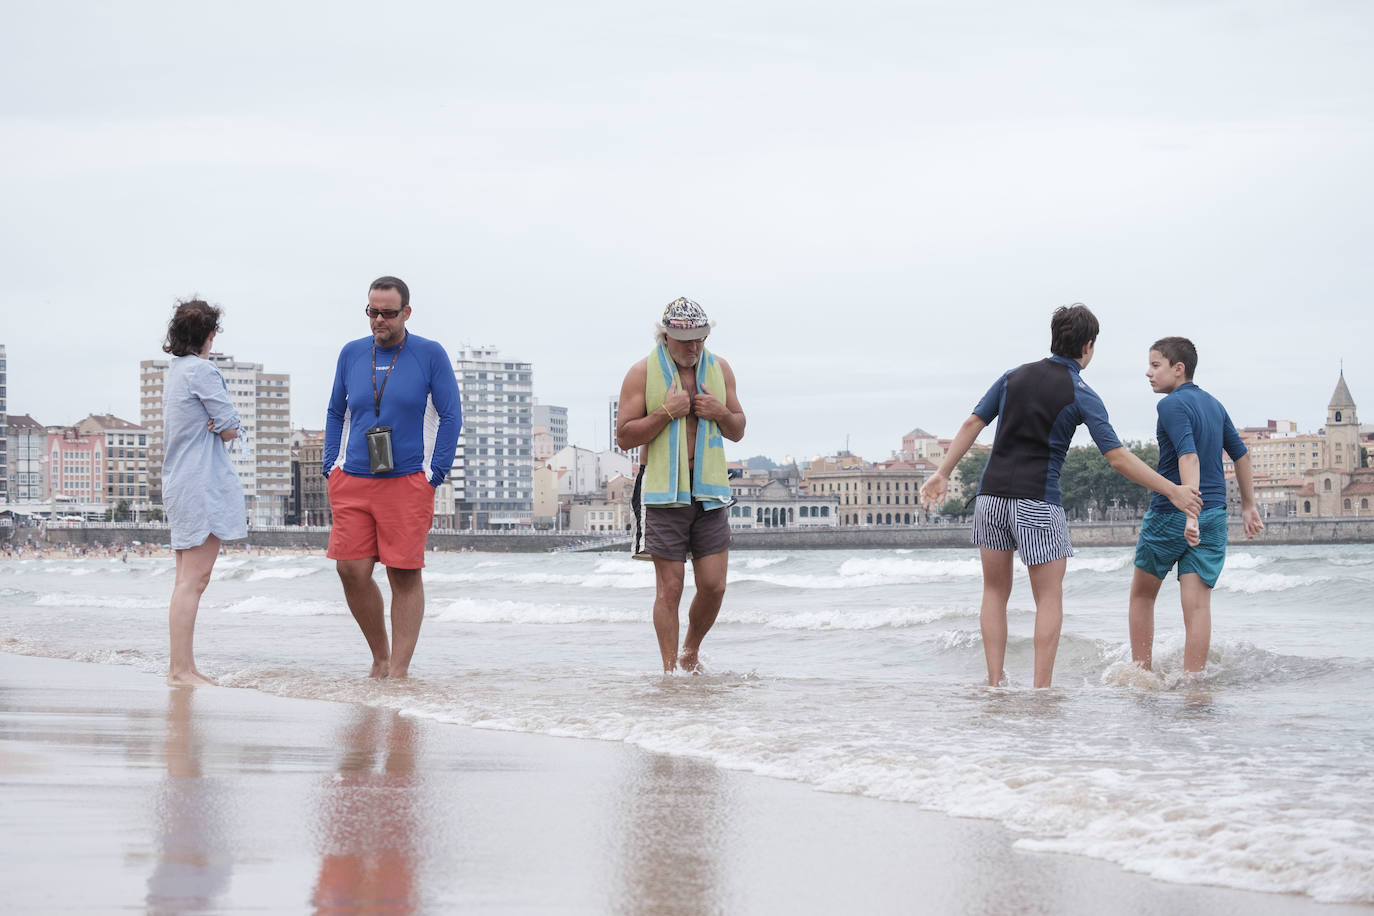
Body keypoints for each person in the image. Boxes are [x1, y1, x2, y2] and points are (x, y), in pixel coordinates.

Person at [918, 304, 1202, 688]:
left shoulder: (1012, 377)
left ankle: (995, 682)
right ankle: (1041, 690)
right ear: (1088, 346)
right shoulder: (1082, 393)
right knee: (1048, 598)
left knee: (994, 592)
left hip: (989, 499)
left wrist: (942, 472)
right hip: (1037, 502)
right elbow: (1117, 457)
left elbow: (973, 422)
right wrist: (1173, 490)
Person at [324, 276, 462, 678]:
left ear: (406, 312)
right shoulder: (351, 353)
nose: (379, 320)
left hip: (407, 480)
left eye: (387, 312)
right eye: (372, 311)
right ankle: (380, 655)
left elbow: (451, 414)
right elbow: (336, 411)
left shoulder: (429, 354)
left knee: (403, 573)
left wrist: (435, 473)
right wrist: (330, 463)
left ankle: (398, 671)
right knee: (350, 569)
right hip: (352, 478)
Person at [616, 297, 746, 673]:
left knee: (714, 586)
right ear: (666, 336)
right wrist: (665, 412)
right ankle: (670, 672)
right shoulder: (640, 374)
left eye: (700, 339)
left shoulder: (720, 370)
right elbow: (624, 437)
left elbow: (737, 430)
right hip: (662, 491)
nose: (694, 347)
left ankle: (690, 651)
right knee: (670, 590)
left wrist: (720, 412)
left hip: (709, 490)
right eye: (685, 340)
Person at [1129, 337, 1264, 674]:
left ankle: (1141, 676)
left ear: (1179, 368)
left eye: (1155, 365)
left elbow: (1188, 455)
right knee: (1199, 606)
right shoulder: (1214, 405)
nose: (1148, 373)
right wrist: (1248, 505)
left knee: (1142, 596)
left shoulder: (1171, 405)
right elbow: (1242, 455)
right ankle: (1194, 683)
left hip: (1173, 512)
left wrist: (1190, 510)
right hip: (1215, 514)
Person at [160, 299, 247, 687]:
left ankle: (185, 667)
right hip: (200, 482)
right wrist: (222, 425)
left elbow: (220, 422)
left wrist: (218, 423)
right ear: (210, 335)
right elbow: (230, 427)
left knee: (187, 579)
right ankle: (180, 670)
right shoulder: (202, 371)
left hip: (181, 481)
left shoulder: (176, 370)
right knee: (192, 581)